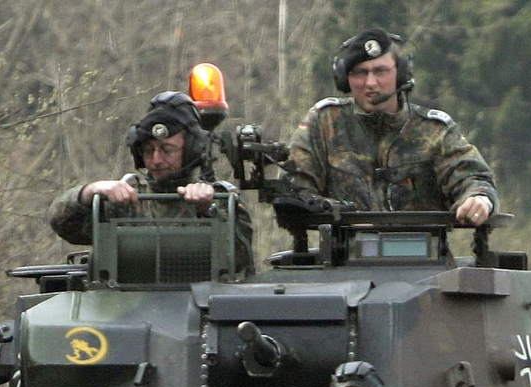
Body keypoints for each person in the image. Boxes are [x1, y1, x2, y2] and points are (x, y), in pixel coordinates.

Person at [284, 28, 497, 225]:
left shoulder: (434, 130)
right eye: (360, 72)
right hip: (343, 257)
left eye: (380, 71)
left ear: (401, 73)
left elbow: (472, 176)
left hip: (425, 258)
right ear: (344, 79)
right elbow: (295, 186)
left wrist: (478, 198)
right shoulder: (325, 123)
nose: (370, 83)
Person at [48, 90, 252, 265]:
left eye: (166, 150)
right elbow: (63, 224)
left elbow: (240, 258)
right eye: (148, 150)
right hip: (126, 302)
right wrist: (89, 192)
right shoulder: (126, 199)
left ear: (190, 150)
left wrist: (207, 210)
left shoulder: (222, 200)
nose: (156, 160)